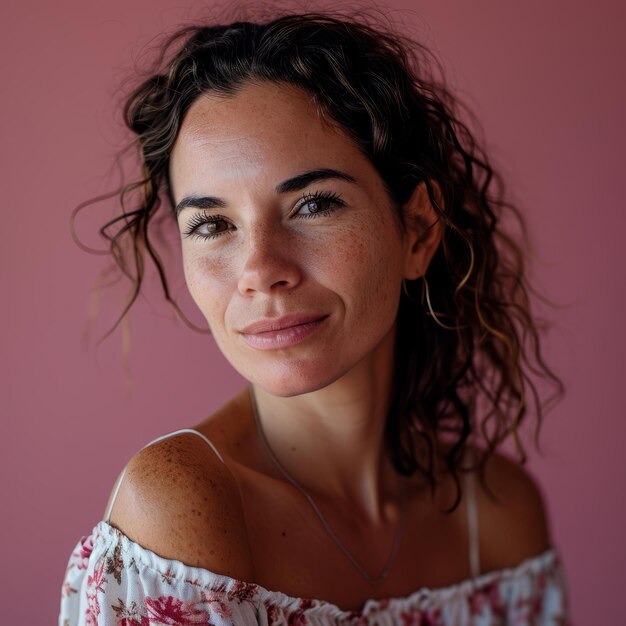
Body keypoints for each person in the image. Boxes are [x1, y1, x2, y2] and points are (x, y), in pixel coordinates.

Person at [59, 10, 569, 625]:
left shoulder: (500, 517)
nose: (260, 268)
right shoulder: (182, 503)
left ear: (417, 230)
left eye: (312, 204)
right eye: (213, 224)